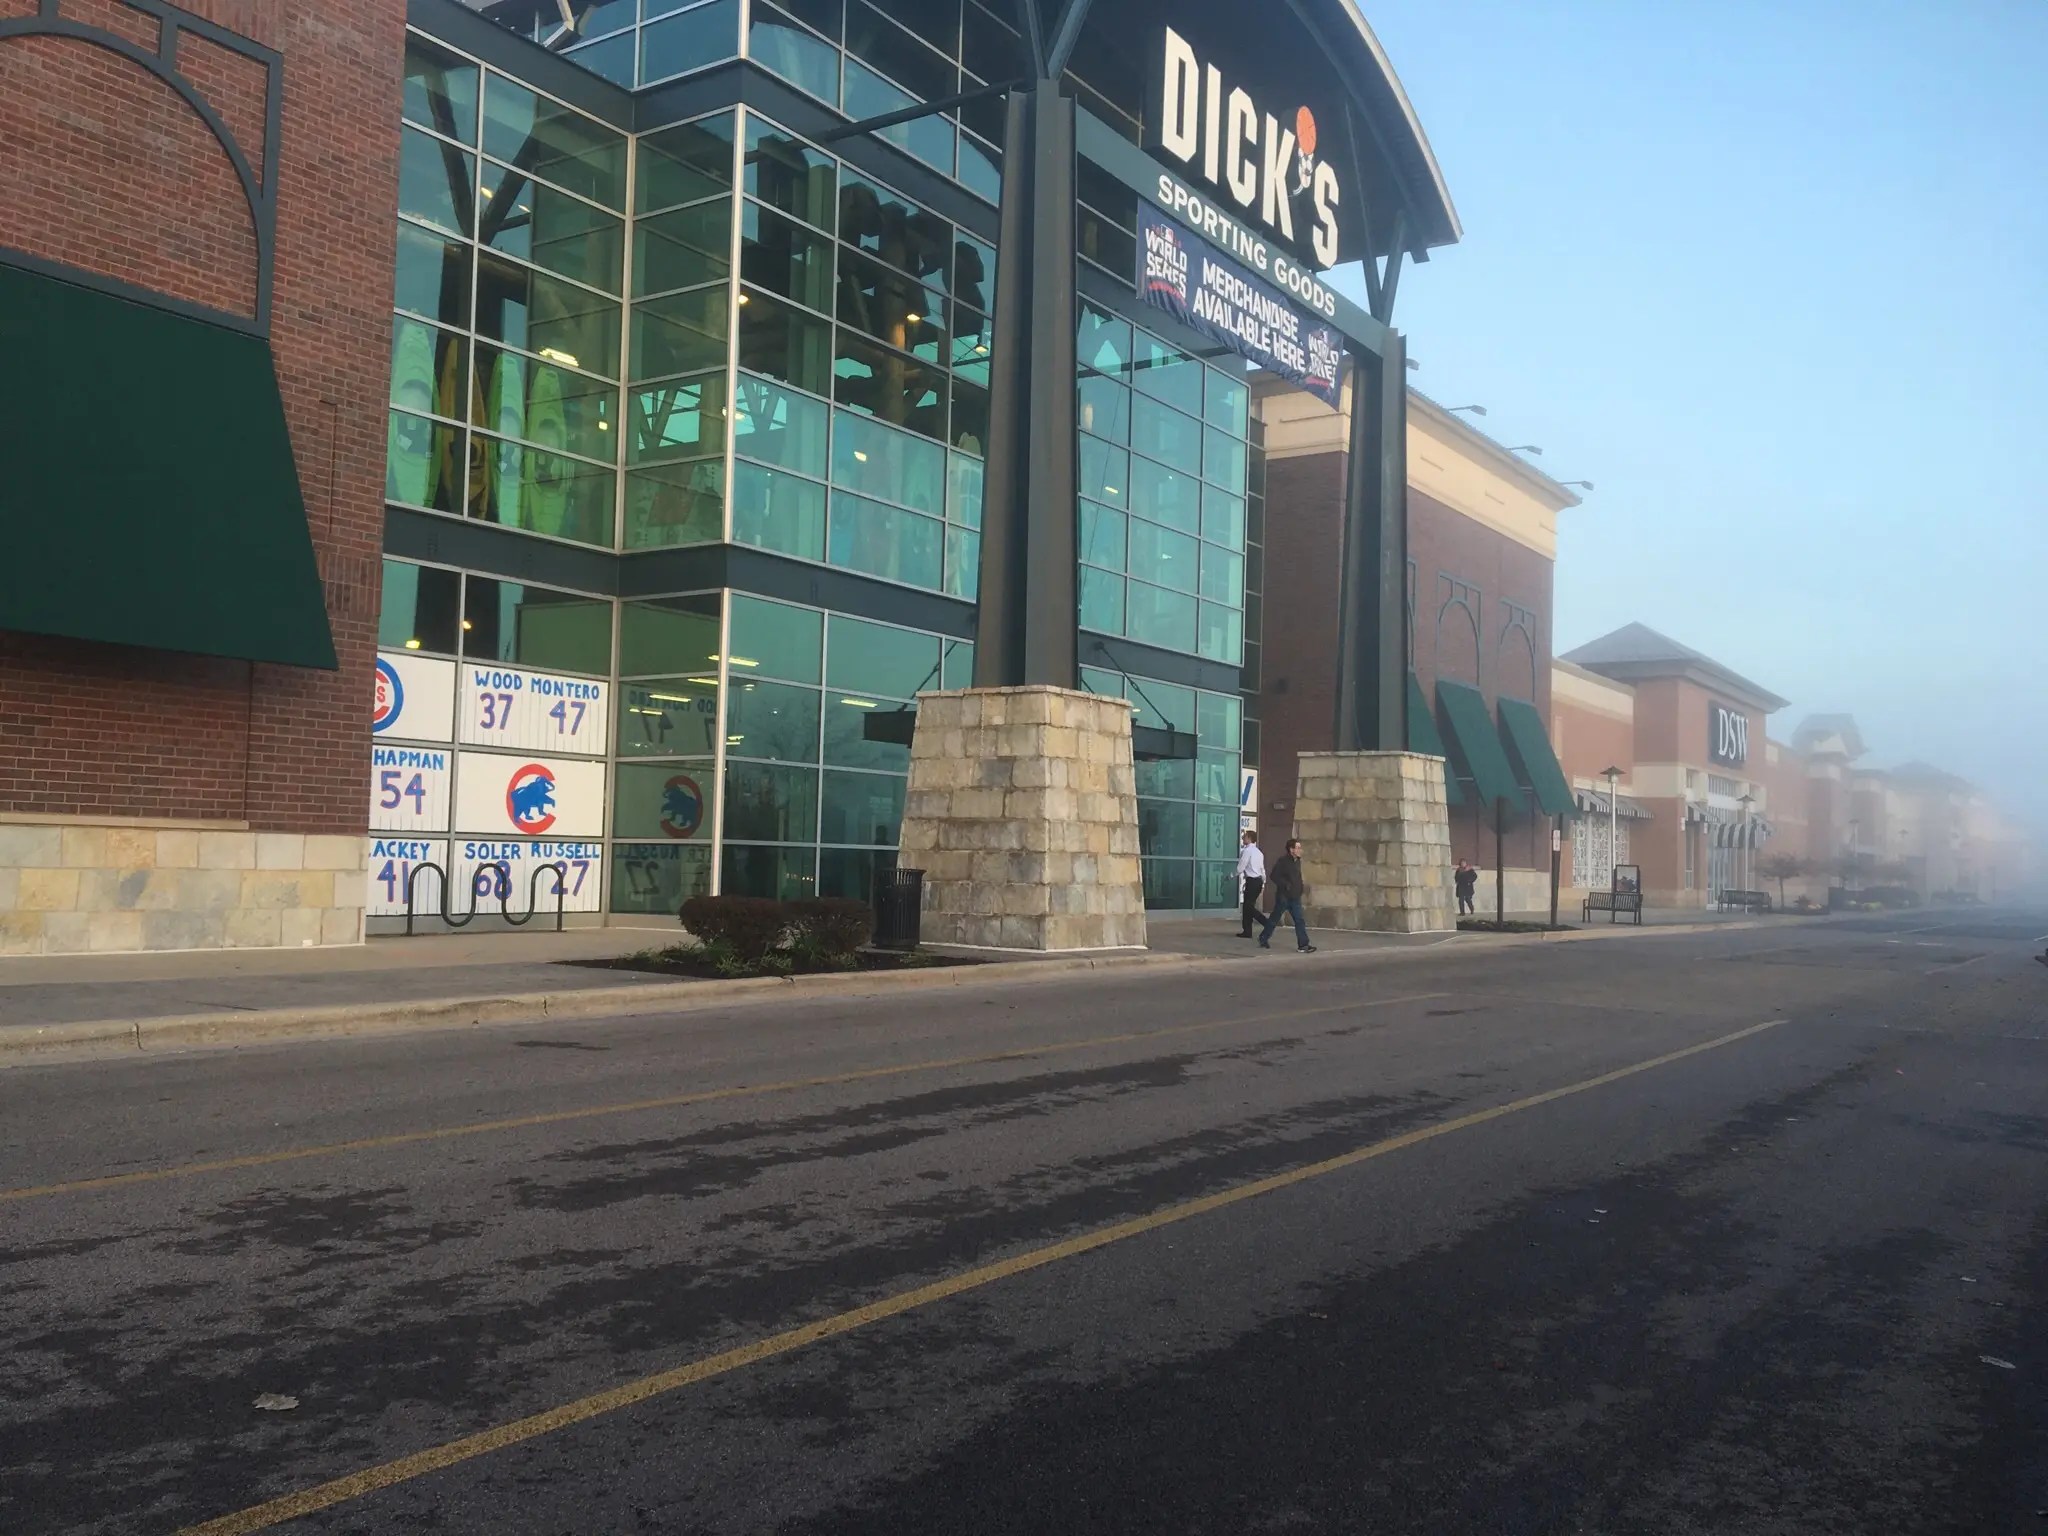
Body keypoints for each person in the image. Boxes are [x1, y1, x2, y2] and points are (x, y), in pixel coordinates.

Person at [1258, 838, 1316, 953]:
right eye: (1298, 848)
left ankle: (1303, 945)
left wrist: (1300, 888)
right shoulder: (1283, 861)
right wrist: (1286, 885)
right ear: (1291, 850)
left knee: (1299, 920)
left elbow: (1297, 878)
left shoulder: (1297, 861)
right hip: (1283, 897)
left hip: (1295, 897)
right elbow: (1274, 876)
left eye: (1300, 848)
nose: (1300, 850)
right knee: (1274, 918)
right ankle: (1263, 938)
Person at [1235, 829, 1266, 938]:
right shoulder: (1259, 852)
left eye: (1244, 837)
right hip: (1258, 881)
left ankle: (1265, 922)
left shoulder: (1247, 851)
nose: (1243, 838)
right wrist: (1263, 883)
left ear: (1249, 838)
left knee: (1248, 907)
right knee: (1249, 906)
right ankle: (1247, 931)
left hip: (1251, 881)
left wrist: (1231, 875)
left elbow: (1241, 867)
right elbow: (1262, 870)